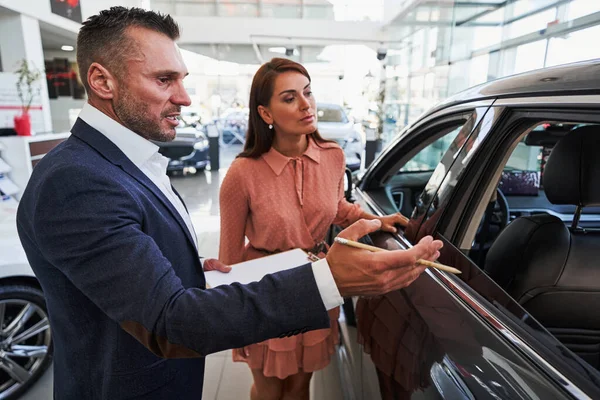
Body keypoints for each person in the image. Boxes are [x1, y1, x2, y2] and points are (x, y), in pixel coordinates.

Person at [16, 7, 443, 399]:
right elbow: (172, 321)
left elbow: (129, 263)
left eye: (182, 79)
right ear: (102, 81)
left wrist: (183, 267)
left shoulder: (119, 162)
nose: (184, 97)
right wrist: (331, 280)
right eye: (165, 80)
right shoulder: (76, 181)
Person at [219, 57, 409, 400]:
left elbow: (336, 209)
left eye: (308, 93)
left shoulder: (333, 156)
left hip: (317, 282)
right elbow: (229, 256)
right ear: (266, 114)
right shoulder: (243, 172)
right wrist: (235, 323)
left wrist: (377, 222)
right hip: (265, 287)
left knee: (299, 386)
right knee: (269, 389)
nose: (306, 104)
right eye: (290, 98)